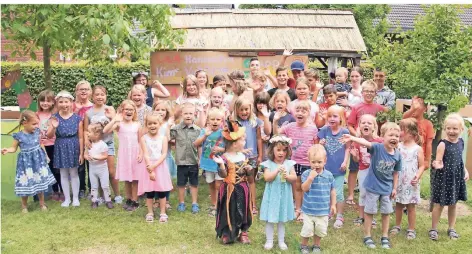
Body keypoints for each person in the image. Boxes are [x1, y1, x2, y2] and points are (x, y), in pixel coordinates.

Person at [341, 122, 402, 249]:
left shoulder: (397, 155)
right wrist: (352, 138)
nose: (394, 138)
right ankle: (367, 236)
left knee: (386, 213)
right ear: (382, 136)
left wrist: (395, 188)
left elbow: (396, 173)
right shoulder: (377, 148)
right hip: (373, 187)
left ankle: (385, 236)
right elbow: (365, 143)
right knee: (370, 212)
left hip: (387, 189)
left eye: (397, 136)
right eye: (391, 135)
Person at [2, 110, 56, 213]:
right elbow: (13, 148)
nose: (36, 126)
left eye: (37, 124)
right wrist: (7, 150)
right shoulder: (18, 136)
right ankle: (24, 206)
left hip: (38, 162)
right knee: (25, 183)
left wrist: (46, 155)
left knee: (40, 181)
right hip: (26, 164)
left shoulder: (37, 132)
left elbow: (41, 144)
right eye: (34, 124)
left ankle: (42, 203)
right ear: (24, 123)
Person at [274, 100, 318, 223]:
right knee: (297, 186)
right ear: (294, 113)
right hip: (294, 162)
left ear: (309, 113)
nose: (300, 113)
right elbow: (276, 133)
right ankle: (298, 209)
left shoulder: (313, 129)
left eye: (303, 111)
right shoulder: (290, 127)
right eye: (297, 110)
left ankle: (305, 210)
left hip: (307, 163)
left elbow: (316, 146)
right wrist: (275, 120)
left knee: (306, 187)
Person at [212, 120, 253, 244]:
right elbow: (223, 175)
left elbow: (249, 175)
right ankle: (227, 233)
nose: (245, 142)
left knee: (243, 210)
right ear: (235, 144)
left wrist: (249, 170)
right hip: (229, 189)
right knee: (228, 210)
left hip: (243, 188)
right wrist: (222, 166)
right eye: (243, 140)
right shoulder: (224, 157)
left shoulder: (243, 157)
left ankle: (243, 232)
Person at [430, 113, 469, 241]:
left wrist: (465, 171)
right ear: (445, 128)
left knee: (453, 204)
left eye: (455, 128)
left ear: (461, 130)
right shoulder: (443, 144)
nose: (451, 131)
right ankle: (434, 229)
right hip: (444, 178)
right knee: (439, 205)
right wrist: (437, 164)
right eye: (448, 128)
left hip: (456, 178)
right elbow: (438, 160)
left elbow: (460, 160)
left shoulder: (461, 142)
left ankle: (451, 228)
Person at [84, 85, 122, 204]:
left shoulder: (110, 109)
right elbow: (86, 130)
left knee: (111, 171)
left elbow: (117, 126)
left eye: (102, 94)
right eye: (97, 95)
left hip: (108, 144)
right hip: (95, 146)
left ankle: (117, 195)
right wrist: (86, 142)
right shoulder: (88, 113)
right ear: (92, 96)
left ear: (106, 96)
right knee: (99, 171)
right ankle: (101, 196)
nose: (100, 97)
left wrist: (112, 117)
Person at [103, 100, 143, 211]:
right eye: (127, 109)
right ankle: (129, 199)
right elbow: (105, 130)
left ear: (134, 112)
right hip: (125, 155)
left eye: (131, 110)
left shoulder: (137, 124)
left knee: (135, 179)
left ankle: (135, 201)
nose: (129, 112)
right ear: (122, 111)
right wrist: (114, 119)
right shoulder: (119, 124)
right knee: (127, 179)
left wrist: (141, 153)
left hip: (135, 154)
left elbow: (141, 141)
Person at [259, 135, 297, 250]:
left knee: (281, 220)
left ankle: (281, 241)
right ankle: (269, 241)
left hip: (284, 196)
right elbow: (267, 178)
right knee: (270, 219)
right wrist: (276, 170)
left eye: (284, 150)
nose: (281, 153)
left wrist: (288, 176)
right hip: (272, 196)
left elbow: (294, 178)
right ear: (272, 150)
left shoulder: (289, 164)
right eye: (278, 150)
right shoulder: (268, 164)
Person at [47, 91, 84, 207]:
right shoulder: (54, 118)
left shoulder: (77, 118)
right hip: (60, 145)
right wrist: (53, 127)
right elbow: (49, 135)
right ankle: (67, 198)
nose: (64, 104)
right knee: (63, 173)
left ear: (71, 102)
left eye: (66, 102)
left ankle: (76, 198)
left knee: (74, 173)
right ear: (57, 103)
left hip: (73, 145)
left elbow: (81, 137)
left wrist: (81, 153)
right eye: (61, 102)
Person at [389, 118, 425, 239]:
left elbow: (422, 166)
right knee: (398, 204)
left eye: (402, 130)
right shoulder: (398, 146)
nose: (399, 133)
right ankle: (397, 225)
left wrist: (417, 176)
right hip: (398, 181)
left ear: (411, 133)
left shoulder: (417, 149)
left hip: (411, 183)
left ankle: (411, 229)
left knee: (411, 207)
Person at [317, 105, 350, 229]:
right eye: (329, 116)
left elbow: (347, 148)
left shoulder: (345, 132)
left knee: (339, 193)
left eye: (335, 116)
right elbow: (318, 147)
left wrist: (345, 162)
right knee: (326, 192)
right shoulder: (324, 130)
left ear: (341, 118)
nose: (331, 118)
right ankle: (329, 212)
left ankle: (340, 215)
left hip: (339, 169)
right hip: (326, 168)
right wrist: (320, 144)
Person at [299, 144, 336, 254]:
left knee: (320, 229)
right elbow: (304, 188)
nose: (316, 165)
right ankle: (304, 245)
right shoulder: (306, 174)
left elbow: (332, 190)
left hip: (323, 210)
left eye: (319, 162)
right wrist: (310, 178)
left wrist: (333, 205)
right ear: (309, 161)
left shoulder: (328, 175)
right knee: (307, 229)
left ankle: (316, 245)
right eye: (313, 162)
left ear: (325, 161)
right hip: (309, 209)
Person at [232, 97, 265, 214]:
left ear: (250, 109)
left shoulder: (255, 122)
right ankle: (239, 204)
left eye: (246, 109)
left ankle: (253, 205)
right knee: (239, 180)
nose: (244, 112)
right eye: (241, 110)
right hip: (238, 157)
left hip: (252, 156)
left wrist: (260, 155)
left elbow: (259, 138)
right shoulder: (234, 123)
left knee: (251, 180)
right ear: (236, 110)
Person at [349, 114, 382, 227]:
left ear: (374, 127)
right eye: (363, 123)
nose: (366, 125)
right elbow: (357, 160)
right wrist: (355, 156)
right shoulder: (357, 142)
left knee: (372, 194)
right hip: (363, 170)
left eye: (369, 123)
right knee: (363, 193)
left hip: (376, 172)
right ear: (359, 126)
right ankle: (361, 216)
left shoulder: (379, 141)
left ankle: (371, 217)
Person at [139, 113, 172, 223]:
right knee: (150, 192)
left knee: (161, 191)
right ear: (146, 125)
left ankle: (163, 212)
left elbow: (163, 154)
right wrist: (150, 168)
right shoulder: (143, 138)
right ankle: (150, 212)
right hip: (148, 166)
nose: (152, 126)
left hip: (160, 166)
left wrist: (154, 166)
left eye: (155, 123)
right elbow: (146, 154)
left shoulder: (163, 138)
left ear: (160, 124)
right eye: (150, 124)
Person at [193, 107, 225, 217]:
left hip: (219, 164)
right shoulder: (204, 131)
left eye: (218, 119)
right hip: (208, 163)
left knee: (218, 184)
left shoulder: (224, 133)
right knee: (211, 184)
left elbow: (229, 148)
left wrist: (221, 149)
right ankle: (213, 204)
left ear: (222, 121)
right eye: (212, 119)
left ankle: (219, 206)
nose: (215, 121)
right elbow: (196, 144)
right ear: (208, 120)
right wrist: (205, 135)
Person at [170, 103, 201, 213]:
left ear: (195, 114)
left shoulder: (198, 130)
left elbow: (200, 146)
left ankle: (194, 203)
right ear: (182, 114)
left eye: (190, 113)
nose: (188, 116)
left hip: (193, 162)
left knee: (194, 183)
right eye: (186, 113)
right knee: (181, 184)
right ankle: (181, 203)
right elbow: (168, 138)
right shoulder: (176, 129)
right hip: (181, 162)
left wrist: (200, 159)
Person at [36, 90, 62, 201]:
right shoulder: (36, 114)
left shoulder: (55, 115)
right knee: (43, 169)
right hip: (41, 146)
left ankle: (59, 191)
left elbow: (53, 133)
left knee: (55, 168)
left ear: (53, 102)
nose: (45, 103)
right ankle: (45, 192)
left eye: (48, 101)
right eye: (42, 100)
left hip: (53, 145)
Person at [153, 100, 177, 209]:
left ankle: (166, 200)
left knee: (165, 179)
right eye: (157, 109)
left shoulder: (169, 124)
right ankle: (157, 199)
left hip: (165, 156)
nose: (160, 112)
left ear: (167, 112)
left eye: (163, 110)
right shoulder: (152, 123)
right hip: (154, 157)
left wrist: (168, 127)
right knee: (156, 179)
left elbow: (169, 139)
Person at [84, 122, 114, 209]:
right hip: (92, 169)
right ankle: (94, 200)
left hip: (102, 169)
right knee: (94, 185)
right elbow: (85, 154)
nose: (87, 134)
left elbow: (105, 156)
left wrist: (96, 157)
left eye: (89, 132)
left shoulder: (102, 145)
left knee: (105, 185)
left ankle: (108, 200)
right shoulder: (89, 144)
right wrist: (87, 157)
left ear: (96, 134)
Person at [73, 80, 93, 200]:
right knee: (79, 166)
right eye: (81, 89)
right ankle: (81, 188)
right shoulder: (71, 106)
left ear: (90, 92)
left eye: (86, 89)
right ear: (77, 92)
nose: (84, 91)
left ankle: (92, 188)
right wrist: (76, 110)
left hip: (91, 139)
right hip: (76, 139)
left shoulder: (93, 106)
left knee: (91, 164)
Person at [402, 96, 434, 168]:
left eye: (417, 105)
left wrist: (427, 161)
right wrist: (413, 109)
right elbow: (404, 118)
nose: (414, 108)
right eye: (412, 105)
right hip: (406, 156)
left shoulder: (428, 124)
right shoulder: (408, 121)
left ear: (425, 109)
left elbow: (429, 144)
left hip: (419, 157)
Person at [254, 91, 272, 163]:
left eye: (264, 103)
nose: (261, 105)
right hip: (255, 144)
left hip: (266, 145)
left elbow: (268, 132)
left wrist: (266, 117)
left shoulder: (270, 114)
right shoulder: (254, 116)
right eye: (259, 103)